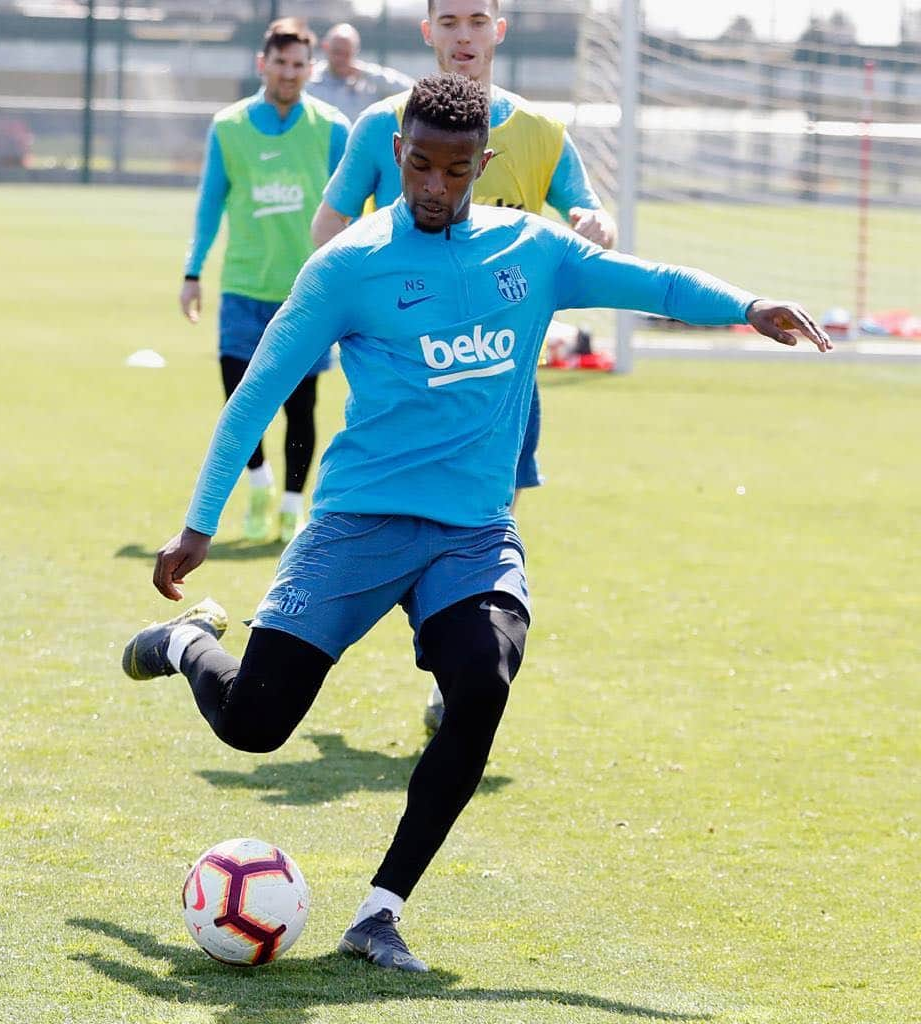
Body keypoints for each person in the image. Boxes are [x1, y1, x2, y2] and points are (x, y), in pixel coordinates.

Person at [122, 73, 831, 974]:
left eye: (454, 171)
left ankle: (379, 915)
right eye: (418, 166)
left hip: (470, 535)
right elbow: (255, 394)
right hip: (358, 524)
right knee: (256, 727)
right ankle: (188, 644)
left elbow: (643, 279)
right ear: (396, 156)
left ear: (481, 165)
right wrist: (197, 526)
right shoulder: (348, 266)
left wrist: (744, 304)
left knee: (483, 678)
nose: (433, 187)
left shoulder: (531, 250)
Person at [310, 0, 616, 731]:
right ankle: (310, 632)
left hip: (500, 382)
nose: (463, 36)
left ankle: (455, 674)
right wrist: (322, 309)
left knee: (490, 522)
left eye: (477, 21)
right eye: (448, 22)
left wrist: (591, 223)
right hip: (405, 385)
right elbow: (332, 221)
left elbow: (586, 212)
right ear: (428, 33)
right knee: (381, 520)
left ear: (498, 32)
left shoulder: (541, 132)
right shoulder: (382, 123)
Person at [179, 18, 350, 544]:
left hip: (306, 291)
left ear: (310, 68)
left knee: (302, 404)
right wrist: (192, 271)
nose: (289, 73)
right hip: (243, 286)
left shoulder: (332, 127)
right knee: (239, 397)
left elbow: (351, 207)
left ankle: (292, 506)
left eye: (300, 65)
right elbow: (210, 203)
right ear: (263, 64)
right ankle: (258, 484)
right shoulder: (229, 127)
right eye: (281, 63)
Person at [305, 23, 415, 123]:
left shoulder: (369, 84)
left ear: (355, 52)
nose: (341, 59)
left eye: (346, 54)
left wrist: (367, 72)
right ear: (325, 47)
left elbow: (411, 90)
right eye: (337, 52)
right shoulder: (310, 79)